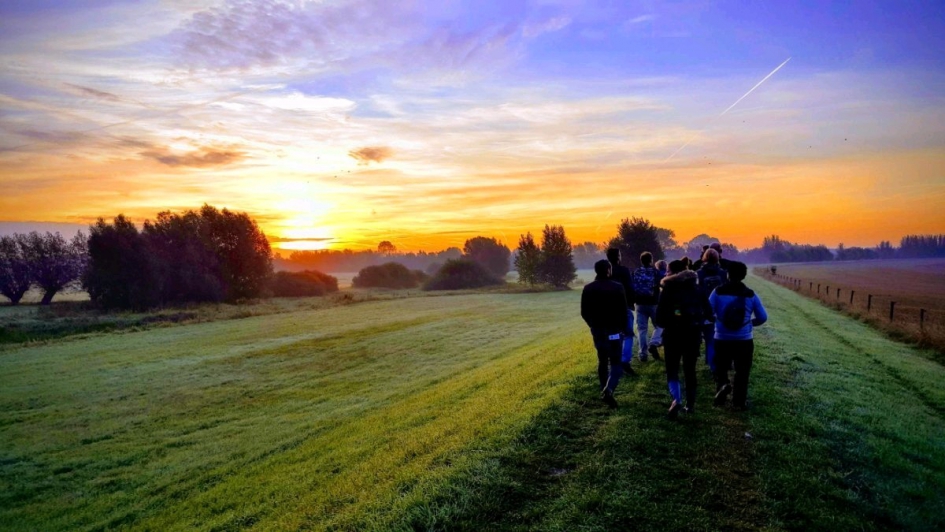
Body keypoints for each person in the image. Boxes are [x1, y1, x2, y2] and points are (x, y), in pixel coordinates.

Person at [655, 260, 712, 418]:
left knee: (672, 369)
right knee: (690, 370)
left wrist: (671, 321)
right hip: (693, 335)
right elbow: (709, 312)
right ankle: (691, 405)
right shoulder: (697, 289)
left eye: (667, 271)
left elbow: (659, 318)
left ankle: (677, 399)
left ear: (672, 272)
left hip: (672, 335)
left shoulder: (667, 290)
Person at [710, 261, 768, 410]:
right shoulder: (750, 294)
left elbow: (708, 312)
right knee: (742, 371)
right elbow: (762, 317)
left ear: (728, 274)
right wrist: (749, 324)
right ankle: (738, 402)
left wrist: (717, 321)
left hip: (721, 337)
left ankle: (723, 387)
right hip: (744, 339)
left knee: (721, 367)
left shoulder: (717, 292)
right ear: (743, 275)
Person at [581, 259, 630, 408]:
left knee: (602, 360)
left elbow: (584, 312)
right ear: (609, 270)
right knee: (615, 362)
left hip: (598, 330)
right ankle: (608, 389)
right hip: (614, 330)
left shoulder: (588, 288)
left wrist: (593, 325)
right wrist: (623, 328)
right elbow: (623, 310)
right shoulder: (617, 287)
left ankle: (603, 386)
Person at [696, 248, 728, 372]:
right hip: (720, 308)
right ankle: (715, 365)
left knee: (706, 337)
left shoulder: (699, 273)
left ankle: (710, 363)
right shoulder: (722, 273)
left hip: (703, 308)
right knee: (716, 338)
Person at [606, 248, 636, 374]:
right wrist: (632, 301)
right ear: (618, 256)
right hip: (624, 306)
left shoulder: (606, 272)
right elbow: (630, 287)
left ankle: (614, 359)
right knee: (628, 334)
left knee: (613, 334)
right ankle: (625, 359)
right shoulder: (624, 270)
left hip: (609, 308)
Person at [632, 252, 661, 362]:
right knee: (659, 326)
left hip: (639, 304)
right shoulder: (655, 272)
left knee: (642, 330)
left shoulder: (636, 272)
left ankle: (642, 354)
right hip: (653, 303)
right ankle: (654, 343)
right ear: (651, 260)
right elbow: (659, 286)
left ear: (641, 260)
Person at [648, 259, 668, 357]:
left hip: (657, 301)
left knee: (659, 325)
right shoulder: (667, 275)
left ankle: (655, 343)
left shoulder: (655, 274)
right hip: (668, 303)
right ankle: (657, 343)